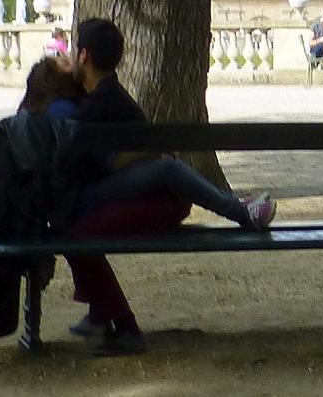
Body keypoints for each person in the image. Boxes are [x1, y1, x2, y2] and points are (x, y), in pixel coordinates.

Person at [40, 19, 277, 356]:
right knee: (77, 232)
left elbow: (106, 165)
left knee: (79, 234)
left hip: (153, 201)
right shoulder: (106, 97)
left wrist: (147, 153)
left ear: (83, 56)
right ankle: (101, 316)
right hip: (151, 197)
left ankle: (122, 327)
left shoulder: (95, 105)